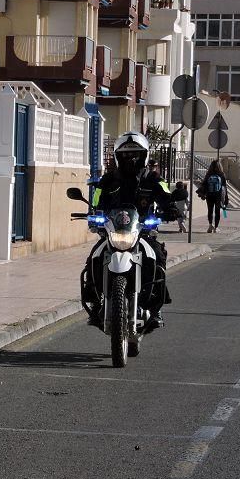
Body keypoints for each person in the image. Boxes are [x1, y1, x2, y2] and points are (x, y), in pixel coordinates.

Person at [84, 131, 173, 330]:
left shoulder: (153, 179)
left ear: (144, 155)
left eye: (136, 154)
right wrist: (93, 214)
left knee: (158, 256)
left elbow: (166, 195)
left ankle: (156, 308)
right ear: (118, 156)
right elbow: (97, 201)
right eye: (125, 155)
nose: (130, 159)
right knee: (94, 258)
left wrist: (171, 208)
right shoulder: (108, 180)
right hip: (114, 231)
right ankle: (95, 301)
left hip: (142, 231)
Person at [198, 160, 228, 232]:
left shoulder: (208, 174)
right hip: (218, 195)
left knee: (210, 210)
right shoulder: (222, 174)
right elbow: (224, 187)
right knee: (217, 212)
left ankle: (210, 226)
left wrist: (202, 193)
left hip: (209, 195)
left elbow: (204, 184)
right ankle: (216, 228)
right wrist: (226, 198)